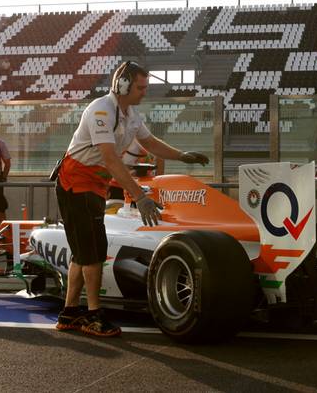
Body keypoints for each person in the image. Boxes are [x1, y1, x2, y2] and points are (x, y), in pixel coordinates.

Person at [55, 60, 210, 337]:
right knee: (93, 252)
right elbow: (110, 158)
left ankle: (70, 313)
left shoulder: (131, 114)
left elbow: (150, 143)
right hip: (76, 183)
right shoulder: (102, 109)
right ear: (123, 85)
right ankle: (93, 315)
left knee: (83, 251)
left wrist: (182, 155)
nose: (144, 92)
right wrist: (140, 196)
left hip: (91, 185)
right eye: (140, 87)